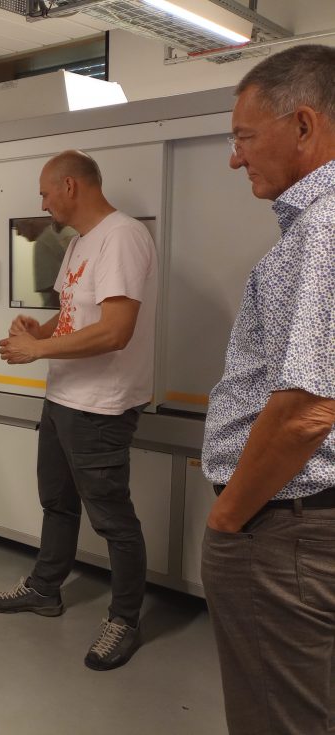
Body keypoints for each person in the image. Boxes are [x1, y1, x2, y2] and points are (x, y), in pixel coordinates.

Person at [200, 44, 335, 735]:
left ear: (305, 126)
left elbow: (309, 409)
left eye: (244, 137)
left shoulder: (323, 228)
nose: (234, 156)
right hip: (304, 523)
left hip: (284, 528)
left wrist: (229, 519)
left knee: (279, 718)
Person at [0, 150, 157, 671]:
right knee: (57, 503)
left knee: (113, 520)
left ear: (70, 186)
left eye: (44, 192)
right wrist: (39, 331)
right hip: (62, 399)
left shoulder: (123, 236)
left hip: (100, 407)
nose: (42, 202)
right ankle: (45, 589)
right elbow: (75, 314)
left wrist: (36, 352)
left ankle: (125, 619)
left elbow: (115, 330)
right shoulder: (82, 242)